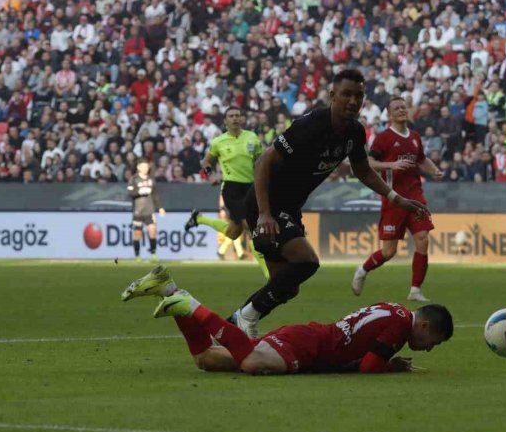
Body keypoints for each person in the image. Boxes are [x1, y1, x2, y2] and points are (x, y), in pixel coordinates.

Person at [233, 68, 428, 338]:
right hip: (265, 203)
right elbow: (263, 162)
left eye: (358, 95)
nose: (352, 101)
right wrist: (265, 214)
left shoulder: (355, 133)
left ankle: (236, 324)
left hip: (288, 207)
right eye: (346, 94)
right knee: (307, 262)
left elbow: (362, 170)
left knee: (287, 286)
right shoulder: (310, 126)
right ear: (332, 95)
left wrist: (395, 197)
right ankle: (246, 317)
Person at [121, 265, 453, 374]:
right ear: (424, 326)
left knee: (205, 359)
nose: (428, 349)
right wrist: (393, 366)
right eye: (433, 342)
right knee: (250, 361)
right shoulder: (400, 326)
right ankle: (190, 304)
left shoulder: (394, 309)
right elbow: (368, 366)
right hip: (309, 346)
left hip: (308, 337)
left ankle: (168, 289)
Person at [352, 98, 443, 302]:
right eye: (396, 108)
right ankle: (362, 270)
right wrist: (391, 165)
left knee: (423, 239)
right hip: (393, 199)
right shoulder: (383, 138)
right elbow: (368, 162)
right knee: (389, 251)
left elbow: (421, 159)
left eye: (403, 107)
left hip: (415, 196)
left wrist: (434, 170)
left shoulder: (415, 137)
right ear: (390, 115)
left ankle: (415, 290)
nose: (401, 110)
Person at [184, 107, 267, 278]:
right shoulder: (218, 142)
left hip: (251, 189)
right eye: (231, 116)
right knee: (252, 229)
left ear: (241, 119)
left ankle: (199, 219)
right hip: (231, 189)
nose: (235, 118)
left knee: (233, 233)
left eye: (238, 115)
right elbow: (206, 162)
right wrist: (210, 175)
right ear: (225, 121)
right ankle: (270, 275)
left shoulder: (252, 138)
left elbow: (261, 161)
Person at [127, 158, 164, 261]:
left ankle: (153, 254)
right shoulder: (133, 179)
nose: (145, 168)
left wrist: (160, 207)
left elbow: (155, 195)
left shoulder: (151, 179)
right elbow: (130, 193)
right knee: (137, 234)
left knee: (152, 231)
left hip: (150, 210)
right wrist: (140, 192)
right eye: (143, 166)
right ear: (138, 167)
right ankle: (137, 255)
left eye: (146, 166)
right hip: (138, 211)